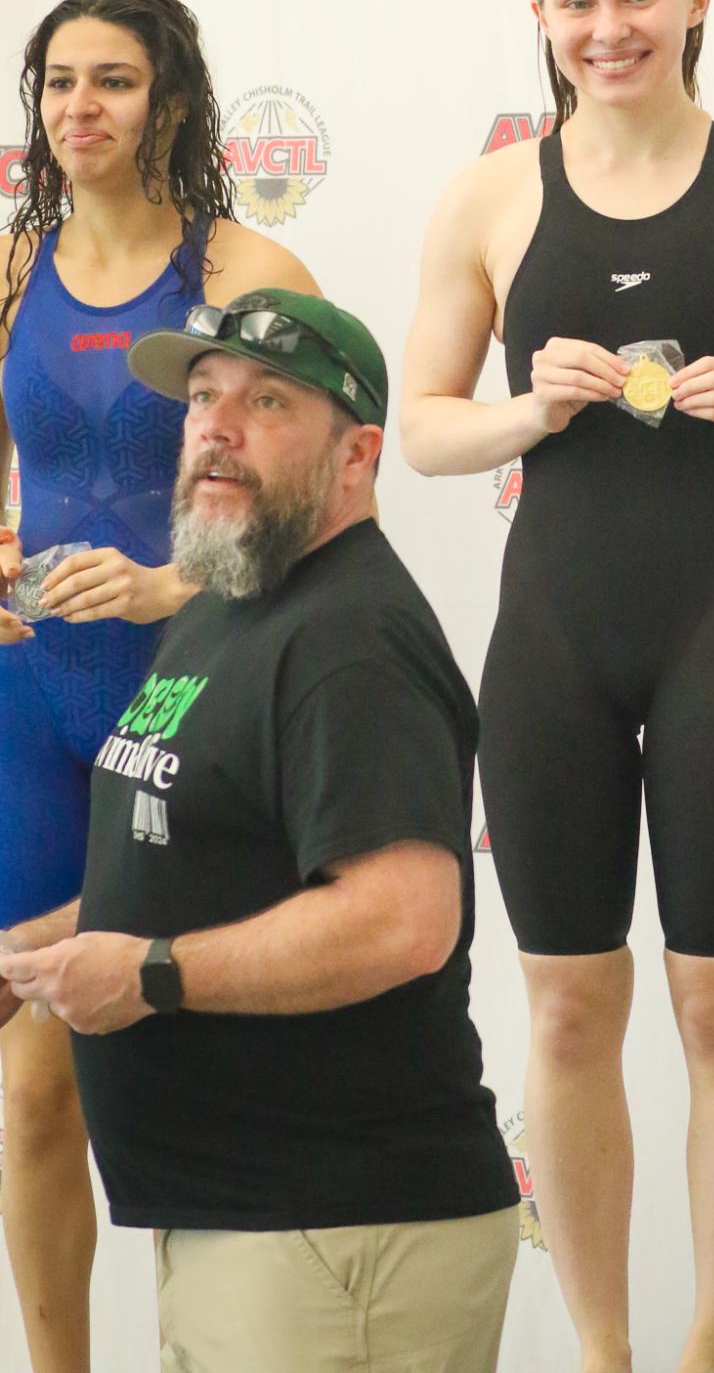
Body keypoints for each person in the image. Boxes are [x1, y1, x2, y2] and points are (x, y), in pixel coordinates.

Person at [400, 0, 714, 1373]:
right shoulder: (489, 198)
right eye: (577, 3)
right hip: (551, 642)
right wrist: (532, 408)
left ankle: (709, 1345)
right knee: (563, 1008)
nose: (609, 29)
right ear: (539, 18)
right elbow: (419, 430)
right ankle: (598, 1349)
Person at [0, 289, 520, 1373]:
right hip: (247, 1227)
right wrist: (37, 956)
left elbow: (402, 921)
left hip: (339, 1236)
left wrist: (147, 972)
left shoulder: (351, 638)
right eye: (201, 399)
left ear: (356, 454)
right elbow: (190, 871)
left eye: (268, 401)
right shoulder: (224, 604)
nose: (217, 429)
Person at [0, 0, 319, 1373]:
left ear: (171, 101)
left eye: (115, 82)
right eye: (61, 82)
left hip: (181, 696)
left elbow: (311, 508)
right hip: (26, 707)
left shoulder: (250, 275)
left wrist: (166, 585)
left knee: (193, 1061)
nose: (83, 109)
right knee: (26, 1092)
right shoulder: (11, 263)